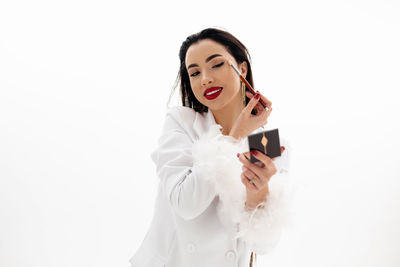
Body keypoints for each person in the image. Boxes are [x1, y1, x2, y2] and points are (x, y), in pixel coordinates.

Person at [129, 27, 293, 267]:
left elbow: (263, 245)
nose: (205, 78)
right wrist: (234, 137)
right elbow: (185, 203)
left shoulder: (268, 142)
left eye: (216, 65)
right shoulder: (181, 123)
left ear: (242, 69)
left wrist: (258, 194)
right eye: (194, 73)